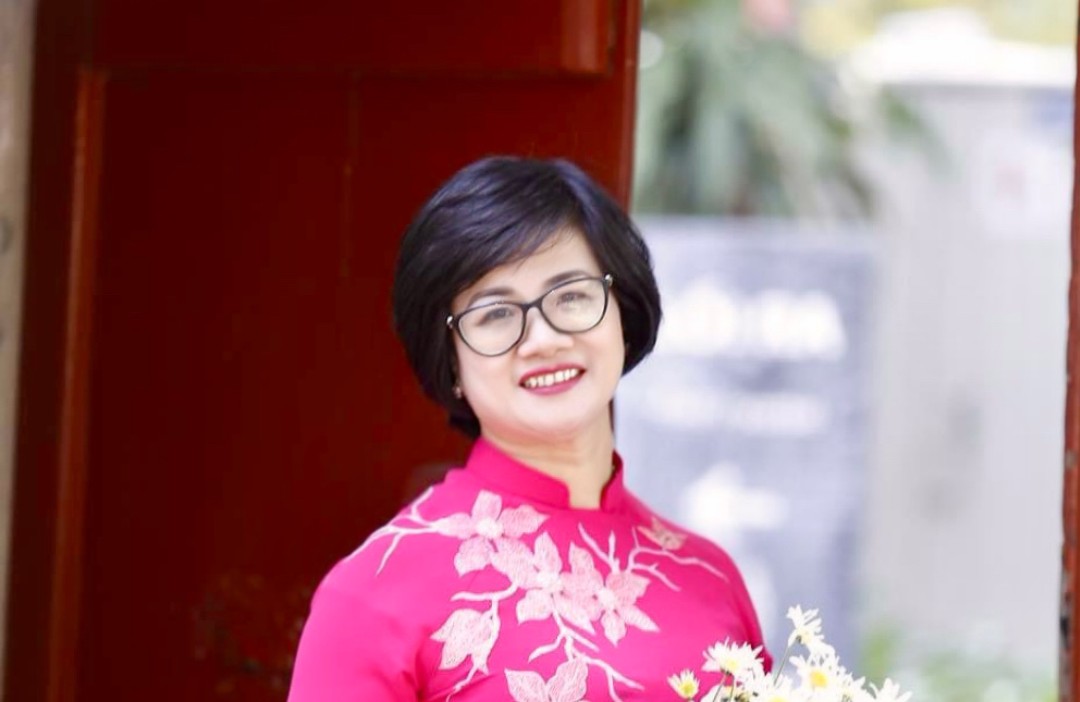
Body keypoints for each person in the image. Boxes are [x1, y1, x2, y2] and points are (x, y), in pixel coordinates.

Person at [287, 156, 770, 701]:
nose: (543, 339)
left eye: (572, 296)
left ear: (622, 315)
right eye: (495, 314)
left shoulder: (709, 578)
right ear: (451, 362)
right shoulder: (371, 594)